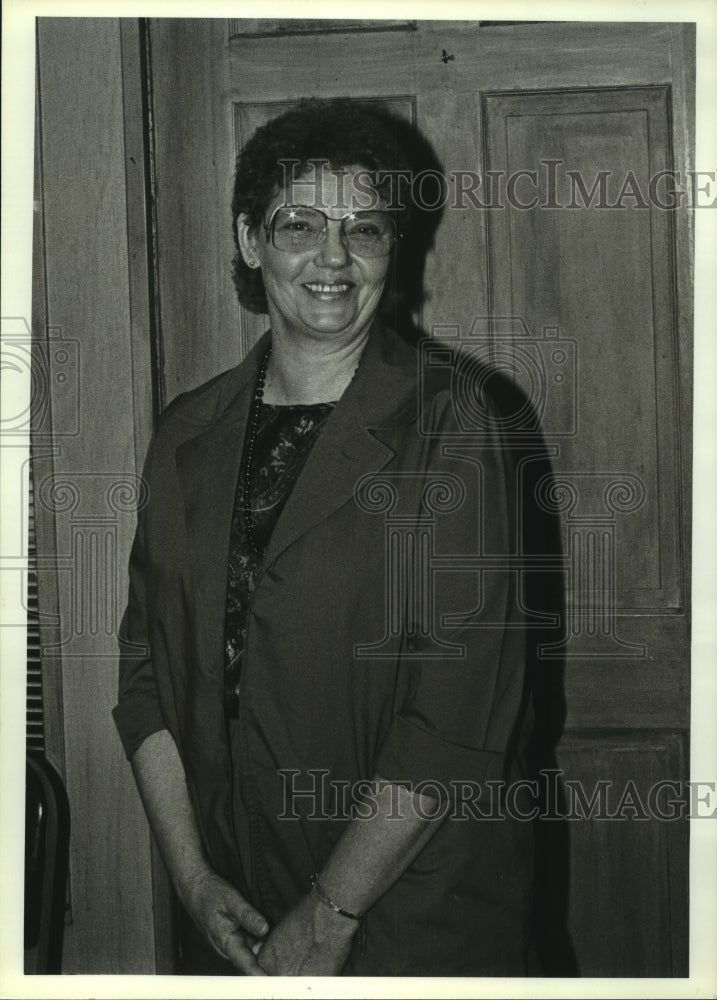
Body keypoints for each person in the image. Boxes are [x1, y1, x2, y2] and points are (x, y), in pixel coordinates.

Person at [113, 98, 537, 976]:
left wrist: (331, 911)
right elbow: (146, 673)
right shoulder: (186, 433)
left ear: (394, 249)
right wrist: (191, 879)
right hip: (233, 899)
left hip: (407, 906)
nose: (332, 257)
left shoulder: (455, 422)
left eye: (365, 229)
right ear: (248, 240)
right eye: (298, 223)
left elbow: (455, 715)